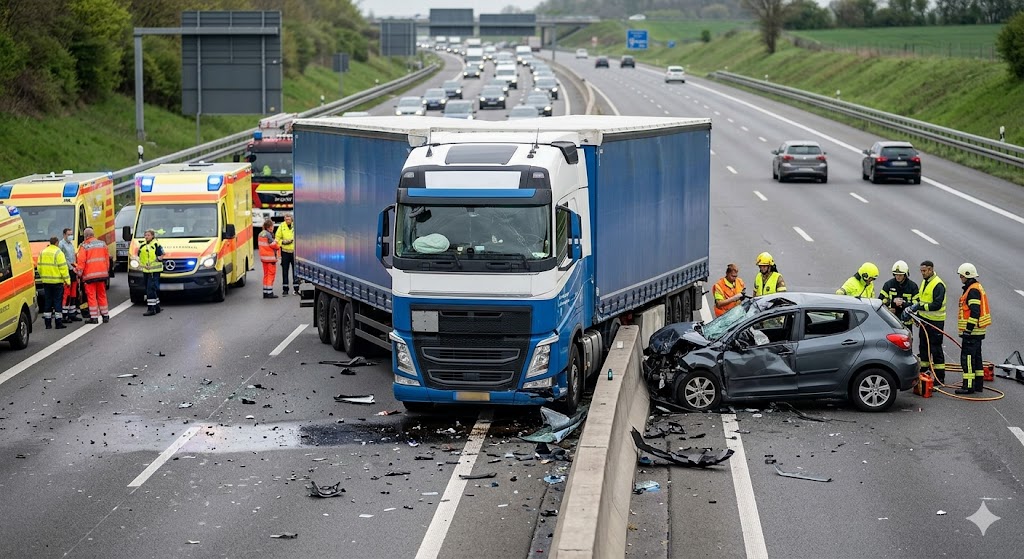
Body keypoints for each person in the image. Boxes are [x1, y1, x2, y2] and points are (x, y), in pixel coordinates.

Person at [902, 260, 947, 383]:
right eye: (921, 271)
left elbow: (936, 305)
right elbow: (922, 300)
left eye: (925, 271)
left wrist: (919, 307)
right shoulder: (925, 282)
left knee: (936, 349)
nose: (922, 273)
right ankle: (924, 373)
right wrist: (916, 313)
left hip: (935, 322)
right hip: (924, 320)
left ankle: (939, 378)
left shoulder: (938, 284)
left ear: (931, 269)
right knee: (923, 347)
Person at [955, 263, 991, 395]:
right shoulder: (976, 287)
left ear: (966, 276)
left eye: (961, 276)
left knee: (968, 360)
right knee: (977, 358)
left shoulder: (973, 291)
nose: (960, 278)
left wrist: (968, 330)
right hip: (978, 332)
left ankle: (968, 386)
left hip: (972, 333)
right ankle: (978, 385)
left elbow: (974, 312)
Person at [75, 227, 110, 324]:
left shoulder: (84, 246)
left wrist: (78, 273)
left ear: (85, 236)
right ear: (93, 234)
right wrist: (105, 271)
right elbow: (107, 260)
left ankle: (94, 317)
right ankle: (105, 315)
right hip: (102, 275)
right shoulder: (102, 244)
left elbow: (81, 262)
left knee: (92, 296)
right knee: (102, 295)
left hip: (89, 277)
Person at [38, 236, 70, 329]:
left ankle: (47, 324)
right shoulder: (58, 253)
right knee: (57, 301)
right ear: (56, 243)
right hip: (57, 282)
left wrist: (43, 276)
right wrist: (67, 280)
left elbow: (39, 267)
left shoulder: (43, 252)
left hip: (46, 281)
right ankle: (58, 323)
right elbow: (63, 268)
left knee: (48, 301)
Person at [879, 260, 919, 326]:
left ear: (905, 274)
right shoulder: (888, 285)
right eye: (896, 274)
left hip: (906, 323)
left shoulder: (912, 286)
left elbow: (916, 305)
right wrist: (891, 305)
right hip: (891, 321)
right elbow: (880, 301)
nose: (898, 277)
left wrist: (903, 304)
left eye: (900, 275)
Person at [138, 229, 165, 316]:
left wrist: (156, 260)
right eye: (145, 235)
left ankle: (151, 309)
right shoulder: (142, 245)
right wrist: (141, 265)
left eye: (148, 235)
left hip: (154, 270)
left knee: (150, 289)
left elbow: (162, 255)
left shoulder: (156, 244)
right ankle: (157, 307)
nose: (146, 236)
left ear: (153, 236)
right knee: (149, 288)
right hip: (146, 270)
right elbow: (139, 256)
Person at [57, 228, 82, 322]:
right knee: (66, 293)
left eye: (71, 234)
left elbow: (73, 258)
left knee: (73, 293)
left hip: (73, 270)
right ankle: (64, 314)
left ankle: (72, 313)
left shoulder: (71, 245)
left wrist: (76, 267)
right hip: (67, 270)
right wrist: (71, 267)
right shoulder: (61, 244)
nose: (70, 236)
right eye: (69, 234)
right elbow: (63, 259)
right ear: (64, 235)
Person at [275, 213, 298, 296]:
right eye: (286, 219)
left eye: (288, 219)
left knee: (295, 271)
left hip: (294, 252)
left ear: (291, 219)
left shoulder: (295, 226)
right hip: (285, 252)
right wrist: (283, 242)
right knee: (285, 271)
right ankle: (285, 289)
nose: (287, 221)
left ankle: (296, 289)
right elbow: (277, 238)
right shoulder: (282, 226)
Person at [258, 218, 280, 299]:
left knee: (266, 275)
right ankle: (270, 293)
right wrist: (278, 244)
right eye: (272, 226)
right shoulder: (268, 234)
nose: (273, 227)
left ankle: (265, 292)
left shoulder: (261, 233)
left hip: (264, 258)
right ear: (269, 227)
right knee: (271, 275)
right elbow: (273, 245)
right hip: (270, 258)